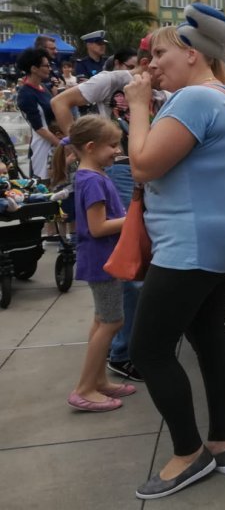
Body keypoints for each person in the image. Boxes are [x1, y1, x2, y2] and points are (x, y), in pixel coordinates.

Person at [124, 26, 225, 500]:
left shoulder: (195, 99)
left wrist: (139, 106)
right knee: (207, 336)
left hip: (190, 244)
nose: (152, 64)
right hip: (216, 237)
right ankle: (222, 443)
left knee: (148, 350)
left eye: (161, 53)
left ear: (193, 53)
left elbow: (142, 165)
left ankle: (189, 452)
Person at [51, 35, 168, 383]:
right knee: (127, 267)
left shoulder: (165, 92)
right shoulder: (115, 80)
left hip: (141, 170)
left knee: (134, 267)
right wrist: (81, 150)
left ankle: (116, 353)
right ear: (146, 63)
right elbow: (61, 101)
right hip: (119, 170)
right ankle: (122, 352)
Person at [65, 116, 133, 412]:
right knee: (112, 322)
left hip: (102, 259)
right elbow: (97, 228)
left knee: (101, 319)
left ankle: (98, 380)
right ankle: (84, 389)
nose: (117, 151)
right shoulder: (93, 180)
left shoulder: (92, 176)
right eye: (112, 145)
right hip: (103, 260)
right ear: (91, 147)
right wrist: (134, 219)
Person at [15, 47, 61, 181]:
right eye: (46, 66)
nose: (49, 69)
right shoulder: (25, 94)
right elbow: (39, 128)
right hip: (42, 146)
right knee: (44, 182)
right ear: (34, 69)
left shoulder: (43, 87)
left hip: (54, 141)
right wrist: (61, 144)